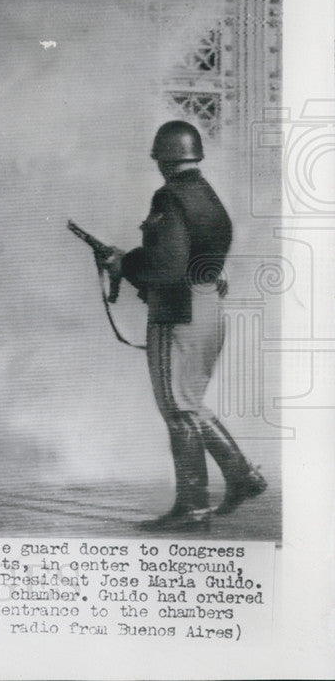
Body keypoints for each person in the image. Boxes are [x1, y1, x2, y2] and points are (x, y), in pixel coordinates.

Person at [102, 120, 267, 531]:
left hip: (178, 312)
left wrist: (125, 263)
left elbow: (166, 267)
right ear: (194, 157)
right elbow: (201, 259)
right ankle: (242, 477)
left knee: (177, 410)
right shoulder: (209, 196)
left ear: (162, 159)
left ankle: (193, 508)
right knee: (189, 404)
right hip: (209, 306)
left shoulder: (168, 197)